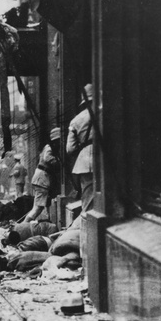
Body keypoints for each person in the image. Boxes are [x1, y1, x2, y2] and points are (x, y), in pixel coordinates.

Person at [66, 84, 94, 261]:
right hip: (107, 161)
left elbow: (70, 149)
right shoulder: (106, 114)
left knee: (88, 207)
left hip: (85, 163)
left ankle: (86, 256)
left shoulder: (76, 120)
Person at [23, 127, 62, 222]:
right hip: (42, 179)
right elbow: (47, 158)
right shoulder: (49, 148)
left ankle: (22, 226)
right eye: (58, 140)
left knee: (37, 207)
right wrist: (59, 161)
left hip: (41, 178)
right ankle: (22, 226)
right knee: (37, 208)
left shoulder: (48, 147)